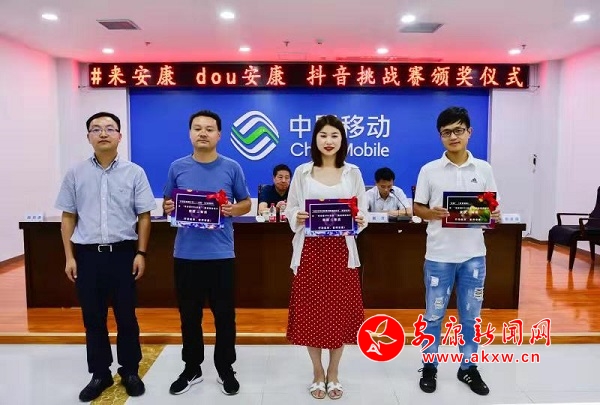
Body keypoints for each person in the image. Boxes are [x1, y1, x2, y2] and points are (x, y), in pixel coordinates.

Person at [55, 112, 156, 402]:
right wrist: (69, 257)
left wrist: (141, 252)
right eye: (96, 129)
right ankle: (100, 374)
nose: (103, 133)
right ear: (88, 136)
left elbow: (144, 216)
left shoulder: (134, 172)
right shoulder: (75, 173)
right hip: (87, 257)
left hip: (123, 254)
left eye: (110, 129)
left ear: (119, 136)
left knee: (127, 316)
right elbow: (68, 216)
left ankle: (130, 371)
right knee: (93, 318)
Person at [163, 110, 251, 396]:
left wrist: (232, 209)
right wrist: (167, 207)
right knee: (189, 316)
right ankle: (192, 368)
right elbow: (168, 203)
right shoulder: (177, 167)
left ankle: (225, 368)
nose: (203, 133)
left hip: (221, 255)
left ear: (219, 135)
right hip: (186, 255)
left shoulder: (231, 167)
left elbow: (246, 203)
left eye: (209, 129)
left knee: (225, 316)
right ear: (190, 133)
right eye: (197, 128)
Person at [413, 107, 501, 396]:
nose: (453, 136)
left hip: (473, 256)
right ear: (440, 136)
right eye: (446, 132)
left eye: (458, 130)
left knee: (471, 316)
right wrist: (432, 213)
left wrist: (494, 216)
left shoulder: (484, 169)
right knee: (433, 316)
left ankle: (468, 367)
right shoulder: (429, 170)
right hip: (439, 256)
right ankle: (429, 365)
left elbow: (492, 208)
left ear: (469, 132)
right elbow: (417, 208)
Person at [284, 115, 368, 400]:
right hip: (310, 252)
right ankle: (317, 373)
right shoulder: (302, 172)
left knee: (338, 314)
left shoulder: (352, 172)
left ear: (342, 140)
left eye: (334, 135)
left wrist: (359, 218)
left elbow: (362, 212)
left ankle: (333, 373)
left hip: (341, 253)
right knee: (312, 314)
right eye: (323, 135)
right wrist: (297, 215)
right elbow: (290, 208)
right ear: (315, 140)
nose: (329, 141)